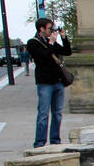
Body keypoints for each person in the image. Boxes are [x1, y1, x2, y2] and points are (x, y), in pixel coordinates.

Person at [25, 18, 72, 148]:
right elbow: (44, 56)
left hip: (58, 82)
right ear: (41, 29)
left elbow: (67, 51)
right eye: (50, 28)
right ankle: (40, 143)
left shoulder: (50, 42)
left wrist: (63, 38)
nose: (52, 31)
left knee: (57, 113)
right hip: (45, 83)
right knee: (43, 113)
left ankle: (55, 140)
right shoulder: (33, 43)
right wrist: (51, 43)